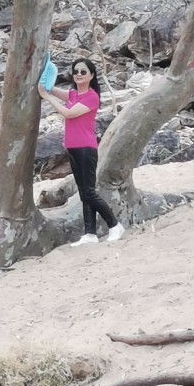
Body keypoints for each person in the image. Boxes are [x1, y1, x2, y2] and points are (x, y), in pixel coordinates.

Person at [41, 58, 124, 247]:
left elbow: (69, 114)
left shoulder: (91, 96)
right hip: (72, 148)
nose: (78, 74)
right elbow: (49, 87)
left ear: (91, 75)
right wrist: (44, 78)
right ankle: (90, 234)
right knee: (83, 192)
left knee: (89, 192)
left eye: (83, 72)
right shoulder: (72, 95)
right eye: (75, 71)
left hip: (86, 149)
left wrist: (48, 98)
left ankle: (115, 225)